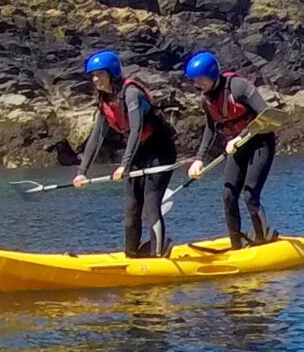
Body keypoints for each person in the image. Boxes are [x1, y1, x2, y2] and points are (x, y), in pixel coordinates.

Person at [70, 49, 178, 257]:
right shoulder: (104, 100)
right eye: (92, 75)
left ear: (112, 73)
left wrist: (124, 165)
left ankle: (157, 256)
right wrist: (82, 170)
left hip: (160, 150)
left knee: (151, 205)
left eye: (99, 74)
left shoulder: (131, 93)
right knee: (131, 210)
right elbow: (97, 137)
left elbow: (136, 130)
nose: (95, 79)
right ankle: (131, 256)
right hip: (139, 153)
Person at [184, 52, 277, 247]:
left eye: (201, 79)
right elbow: (211, 129)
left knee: (250, 194)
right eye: (194, 80)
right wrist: (199, 158)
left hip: (260, 143)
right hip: (236, 149)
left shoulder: (239, 87)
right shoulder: (206, 100)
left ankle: (263, 237)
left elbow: (265, 114)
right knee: (228, 194)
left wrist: (240, 137)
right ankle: (236, 242)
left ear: (212, 74)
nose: (197, 84)